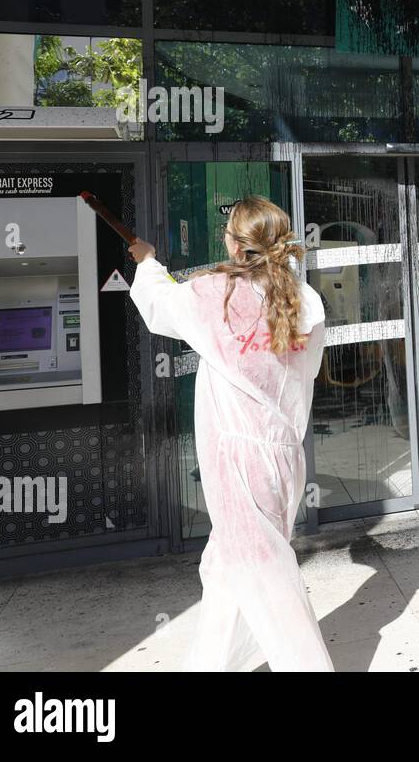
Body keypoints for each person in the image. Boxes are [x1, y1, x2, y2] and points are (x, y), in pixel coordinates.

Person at [128, 196, 334, 671]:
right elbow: (305, 372)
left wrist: (148, 261)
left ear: (236, 243)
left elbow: (161, 306)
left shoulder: (215, 293)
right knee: (225, 569)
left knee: (268, 581)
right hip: (284, 456)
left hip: (237, 461)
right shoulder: (305, 302)